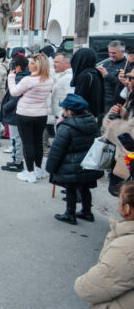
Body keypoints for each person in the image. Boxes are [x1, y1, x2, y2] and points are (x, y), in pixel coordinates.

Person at [74, 181, 134, 309]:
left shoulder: (125, 248)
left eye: (119, 201)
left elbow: (87, 288)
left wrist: (116, 233)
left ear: (127, 208)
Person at [45, 94, 104, 224]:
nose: (63, 111)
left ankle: (70, 214)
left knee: (71, 189)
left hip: (71, 165)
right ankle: (87, 212)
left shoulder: (66, 127)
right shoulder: (92, 123)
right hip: (89, 163)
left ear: (70, 111)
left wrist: (50, 167)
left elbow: (57, 150)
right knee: (85, 188)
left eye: (64, 109)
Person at [8, 53, 54, 183]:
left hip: (25, 114)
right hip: (41, 114)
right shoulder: (49, 79)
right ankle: (38, 169)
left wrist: (11, 77)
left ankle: (29, 172)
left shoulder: (28, 80)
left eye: (32, 63)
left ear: (39, 66)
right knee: (37, 142)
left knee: (27, 143)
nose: (29, 65)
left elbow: (14, 92)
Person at [0, 55, 30, 172]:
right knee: (18, 139)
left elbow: (15, 97)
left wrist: (5, 108)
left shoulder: (18, 78)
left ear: (17, 67)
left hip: (15, 113)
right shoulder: (27, 77)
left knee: (16, 138)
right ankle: (17, 160)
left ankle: (18, 162)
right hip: (22, 112)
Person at [70, 48, 105, 120]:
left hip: (84, 117)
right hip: (95, 115)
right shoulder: (95, 72)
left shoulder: (84, 75)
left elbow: (79, 98)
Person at [47, 52, 74, 140]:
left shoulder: (68, 78)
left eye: (56, 62)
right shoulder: (61, 76)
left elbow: (70, 98)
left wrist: (63, 115)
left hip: (64, 118)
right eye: (54, 62)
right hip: (60, 117)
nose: (53, 64)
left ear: (67, 63)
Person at [97, 40, 128, 114]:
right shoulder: (106, 63)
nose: (111, 55)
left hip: (114, 103)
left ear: (123, 52)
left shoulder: (127, 66)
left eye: (114, 53)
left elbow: (124, 85)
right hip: (101, 101)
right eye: (109, 52)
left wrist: (107, 76)